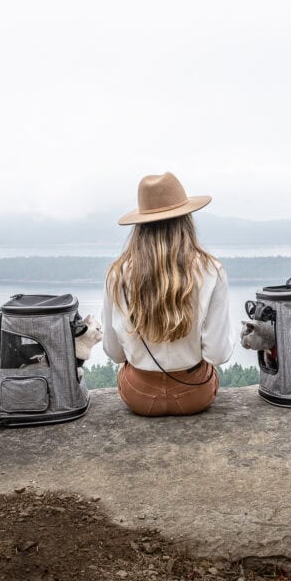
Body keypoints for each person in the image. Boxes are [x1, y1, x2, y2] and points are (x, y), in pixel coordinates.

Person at [102, 172, 233, 416]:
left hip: (138, 395)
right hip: (194, 393)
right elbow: (217, 353)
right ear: (186, 220)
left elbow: (114, 351)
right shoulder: (211, 269)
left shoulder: (117, 274)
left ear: (140, 226)